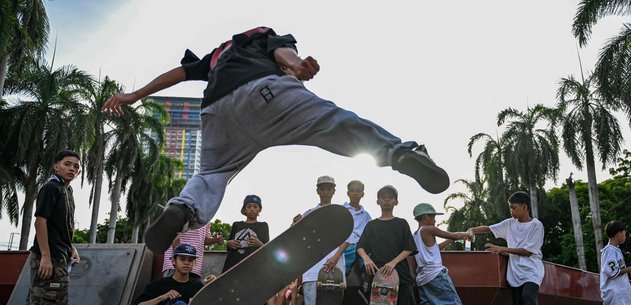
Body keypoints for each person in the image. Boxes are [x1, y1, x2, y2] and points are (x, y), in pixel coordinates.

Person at [103, 26, 450, 255]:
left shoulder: (215, 56)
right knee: (334, 123)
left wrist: (135, 94)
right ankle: (399, 154)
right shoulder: (264, 34)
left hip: (217, 111)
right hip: (265, 92)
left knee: (212, 175)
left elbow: (179, 73)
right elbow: (281, 51)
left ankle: (182, 209)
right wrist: (295, 65)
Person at [0, 150, 93, 305]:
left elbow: (59, 226)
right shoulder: (51, 188)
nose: (72, 168)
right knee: (56, 303)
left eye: (76, 166)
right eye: (67, 164)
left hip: (59, 254)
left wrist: (71, 248)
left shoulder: (65, 190)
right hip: (49, 257)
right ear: (56, 166)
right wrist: (46, 257)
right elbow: (40, 222)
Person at [468, 191, 546, 305]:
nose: (511, 210)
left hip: (532, 272)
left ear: (524, 207)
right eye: (510, 207)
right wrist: (471, 231)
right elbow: (489, 228)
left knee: (528, 300)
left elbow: (528, 251)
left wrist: (500, 248)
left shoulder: (536, 225)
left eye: (514, 207)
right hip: (514, 275)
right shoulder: (510, 224)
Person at [357, 185, 418, 305]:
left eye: (390, 197)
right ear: (377, 201)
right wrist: (366, 257)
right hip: (377, 278)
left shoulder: (401, 223)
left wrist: (392, 263)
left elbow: (409, 248)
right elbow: (360, 247)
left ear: (396, 202)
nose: (386, 200)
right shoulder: (372, 225)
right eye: (383, 197)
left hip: (400, 277)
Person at [412, 203, 475, 305]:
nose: (434, 219)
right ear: (425, 217)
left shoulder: (416, 235)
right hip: (436, 275)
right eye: (432, 216)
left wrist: (448, 241)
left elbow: (435, 248)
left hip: (423, 278)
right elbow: (453, 235)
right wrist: (467, 234)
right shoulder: (428, 229)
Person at [296, 175, 348, 305]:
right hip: (312, 271)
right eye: (322, 188)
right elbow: (299, 240)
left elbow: (347, 238)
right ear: (317, 190)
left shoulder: (342, 213)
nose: (326, 191)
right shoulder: (309, 213)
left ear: (334, 190)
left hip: (334, 271)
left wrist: (335, 257)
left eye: (329, 188)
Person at [222, 195, 271, 305]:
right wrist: (229, 243)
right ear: (244, 209)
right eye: (249, 206)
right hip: (234, 273)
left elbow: (268, 249)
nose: (251, 209)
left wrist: (259, 243)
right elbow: (229, 244)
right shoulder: (237, 225)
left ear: (259, 210)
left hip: (253, 274)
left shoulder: (263, 226)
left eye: (255, 206)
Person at [343, 180, 372, 277]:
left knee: (368, 265)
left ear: (362, 194)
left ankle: (366, 286)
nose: (355, 193)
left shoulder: (366, 215)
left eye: (358, 191)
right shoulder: (342, 210)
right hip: (346, 246)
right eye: (352, 191)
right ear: (348, 193)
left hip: (361, 246)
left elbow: (370, 232)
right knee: (343, 270)